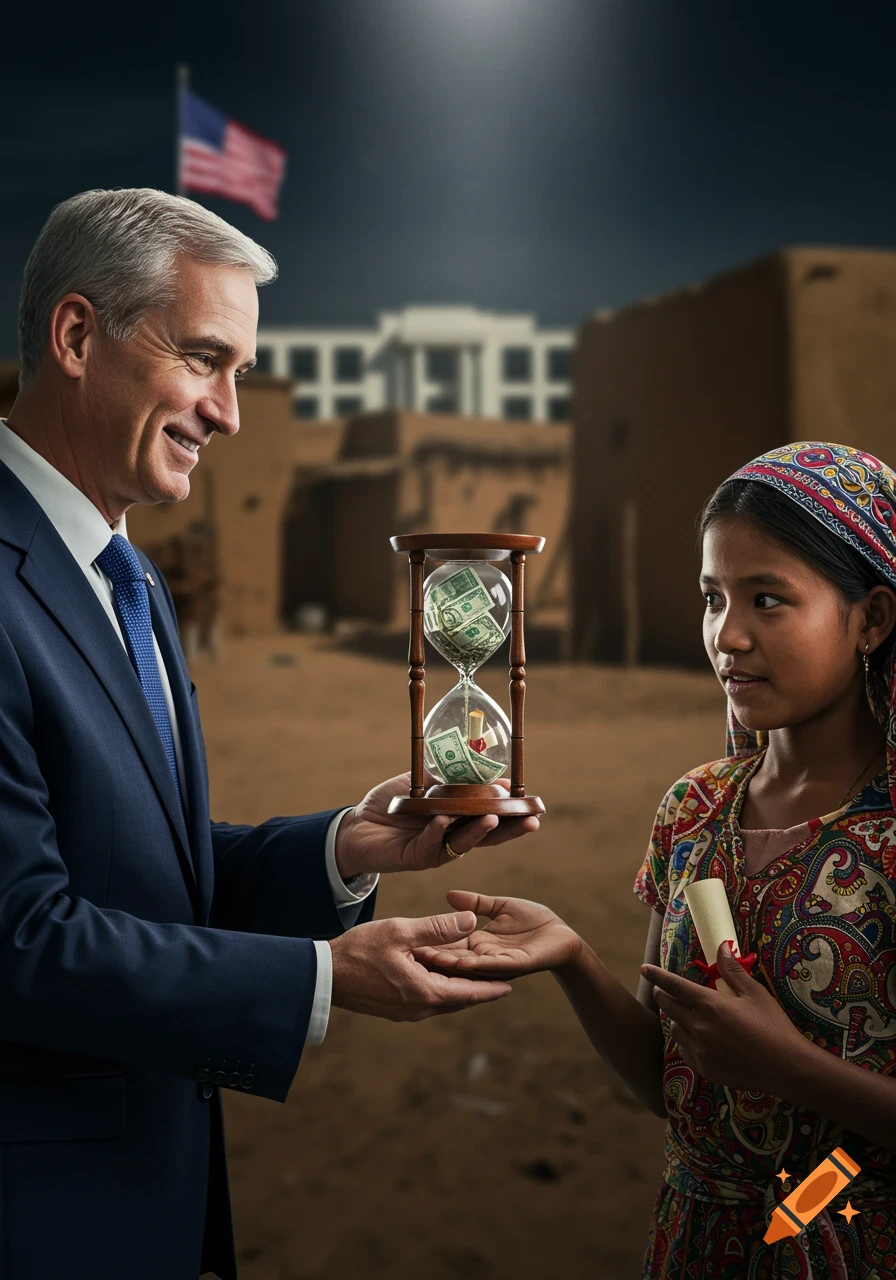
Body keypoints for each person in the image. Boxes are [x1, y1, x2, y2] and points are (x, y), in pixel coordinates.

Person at [0, 187, 539, 1280]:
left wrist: (343, 848)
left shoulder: (126, 574)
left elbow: (139, 866)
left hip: (152, 1196)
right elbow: (22, 937)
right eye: (205, 358)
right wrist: (321, 978)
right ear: (74, 336)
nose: (230, 412)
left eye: (241, 374)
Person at [417, 441, 896, 1278]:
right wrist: (570, 956)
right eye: (713, 599)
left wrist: (790, 1067)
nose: (728, 636)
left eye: (768, 600)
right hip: (695, 1243)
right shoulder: (695, 807)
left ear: (872, 618)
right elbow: (667, 1085)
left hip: (854, 1241)